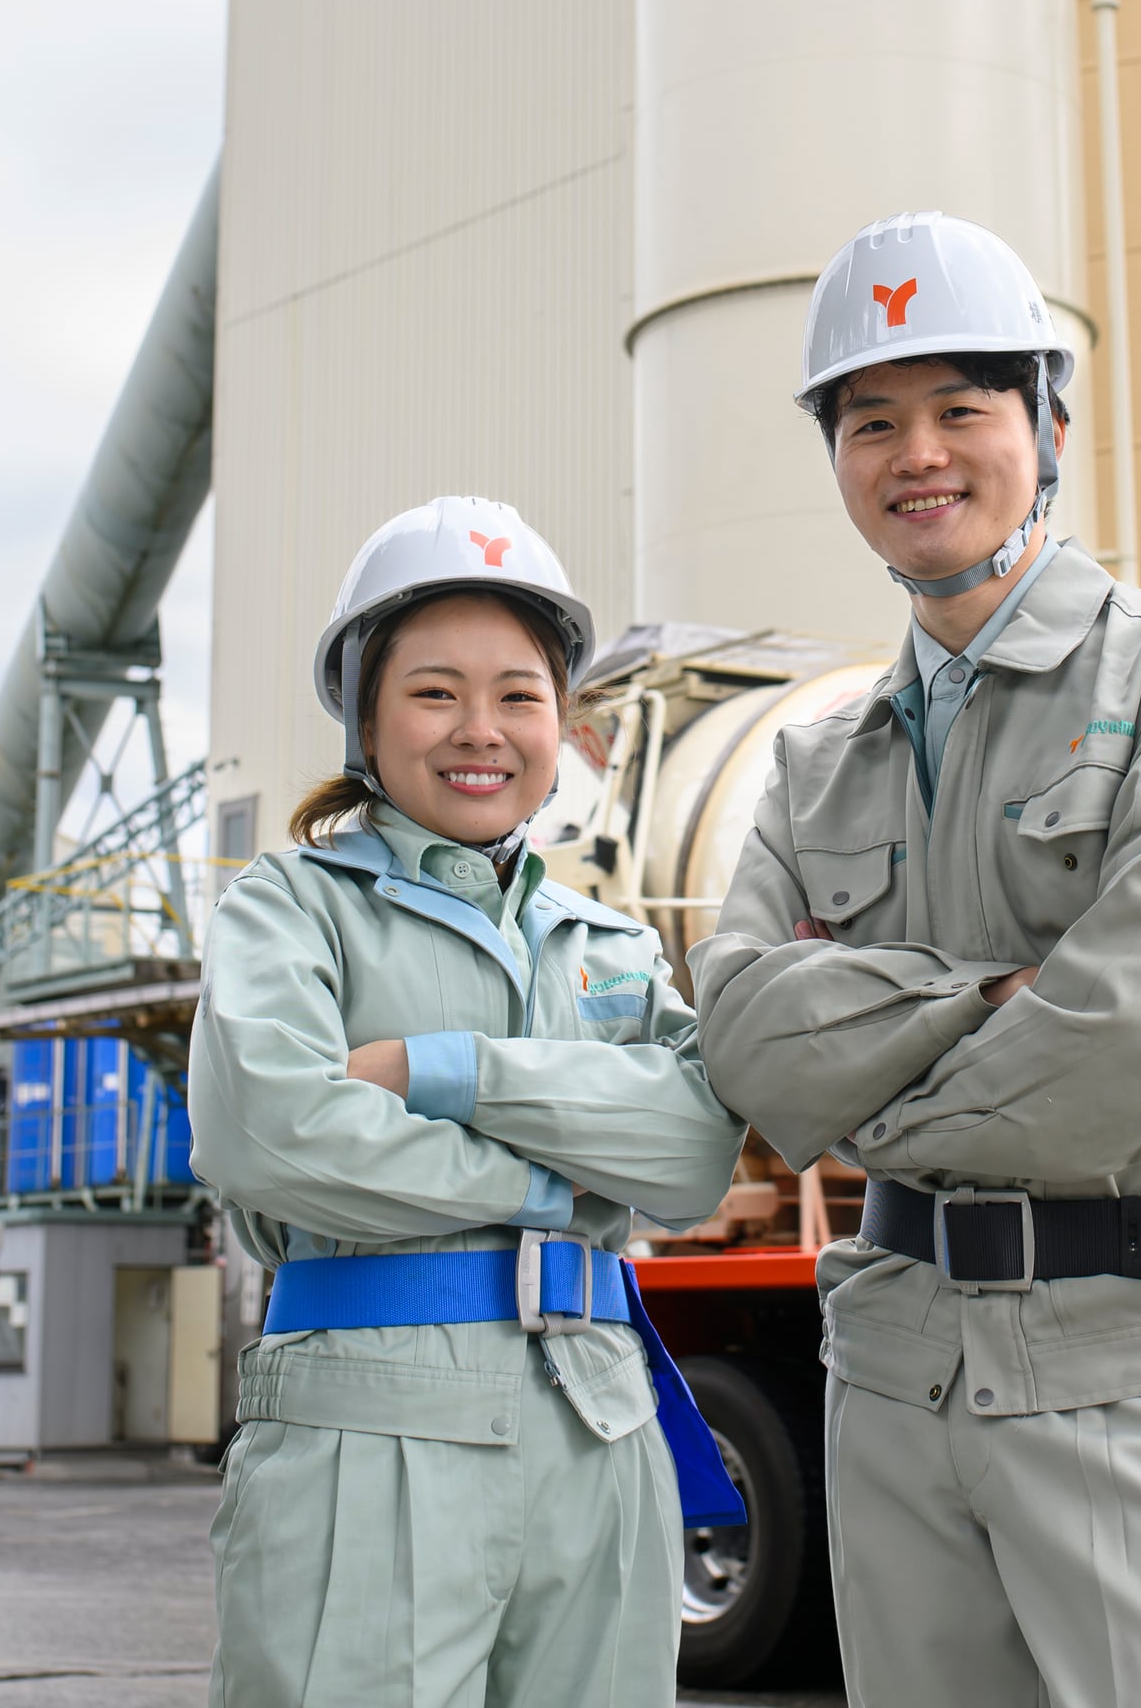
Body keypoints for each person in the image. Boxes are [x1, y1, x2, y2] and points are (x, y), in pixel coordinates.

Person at [690, 212, 1141, 1708]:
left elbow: (1136, 1038)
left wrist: (863, 1091)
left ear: (1046, 425)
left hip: (1135, 1357)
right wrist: (987, 999)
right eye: (871, 421)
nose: (919, 453)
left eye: (961, 409)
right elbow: (745, 1045)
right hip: (892, 1366)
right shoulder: (815, 761)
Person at [188, 496, 749, 1708]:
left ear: (562, 719)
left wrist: (445, 1070)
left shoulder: (608, 939)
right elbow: (274, 1133)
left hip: (599, 1429)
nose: (479, 731)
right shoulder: (293, 906)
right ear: (367, 718)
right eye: (435, 692)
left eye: (519, 695)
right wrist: (555, 1182)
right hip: (371, 1424)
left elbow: (696, 1149)